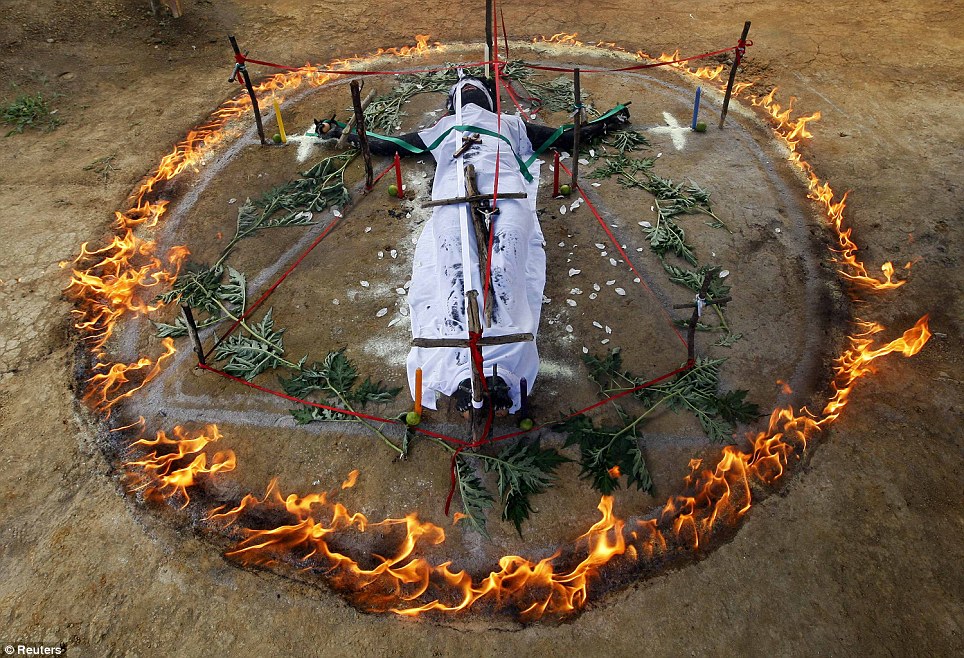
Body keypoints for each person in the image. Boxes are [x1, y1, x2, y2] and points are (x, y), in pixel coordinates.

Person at [317, 74, 630, 416]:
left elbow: (566, 137)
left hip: (505, 192)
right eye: (462, 86)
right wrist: (340, 131)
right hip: (452, 197)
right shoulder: (443, 127)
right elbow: (390, 144)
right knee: (456, 270)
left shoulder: (512, 124)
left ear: (490, 100)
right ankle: (465, 373)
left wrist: (608, 120)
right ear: (452, 103)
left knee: (505, 268)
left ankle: (501, 371)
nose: (469, 87)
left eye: (476, 85)